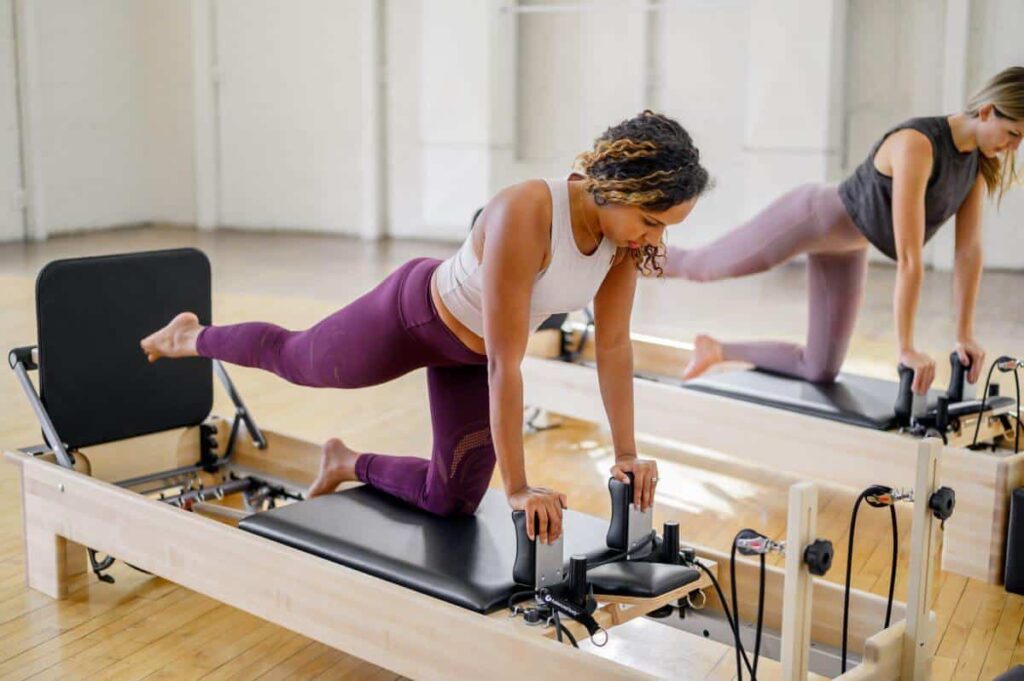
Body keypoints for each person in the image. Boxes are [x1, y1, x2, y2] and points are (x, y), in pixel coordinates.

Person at [140, 111, 711, 543]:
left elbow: (612, 346)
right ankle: (189, 335)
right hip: (413, 317)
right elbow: (505, 365)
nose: (655, 240)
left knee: (451, 500)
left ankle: (344, 462)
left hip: (469, 358)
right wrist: (517, 487)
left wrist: (628, 454)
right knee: (297, 360)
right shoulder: (529, 210)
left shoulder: (622, 247)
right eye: (651, 221)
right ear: (619, 190)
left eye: (665, 229)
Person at [666, 66, 1023, 396]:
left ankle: (715, 349)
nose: (1014, 147)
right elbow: (910, 258)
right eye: (1013, 134)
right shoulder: (918, 143)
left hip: (848, 247)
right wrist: (906, 348)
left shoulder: (976, 163)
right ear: (988, 111)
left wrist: (964, 335)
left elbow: (968, 252)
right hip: (811, 218)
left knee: (819, 369)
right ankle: (631, 253)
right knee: (701, 267)